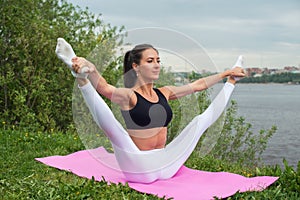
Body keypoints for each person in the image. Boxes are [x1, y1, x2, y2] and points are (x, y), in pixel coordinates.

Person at [55, 38, 245, 183]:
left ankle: (232, 83)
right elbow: (104, 87)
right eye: (150, 60)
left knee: (200, 122)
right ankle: (81, 78)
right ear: (136, 67)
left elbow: (198, 85)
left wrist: (226, 74)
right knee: (114, 130)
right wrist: (92, 70)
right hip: (137, 166)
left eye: (158, 60)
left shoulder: (165, 92)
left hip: (165, 165)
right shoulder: (129, 96)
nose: (156, 64)